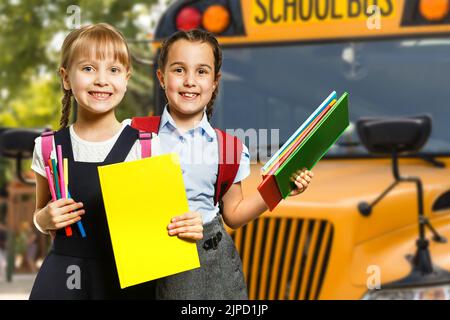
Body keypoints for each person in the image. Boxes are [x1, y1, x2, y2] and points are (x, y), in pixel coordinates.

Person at [29, 23, 203, 300]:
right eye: (88, 69)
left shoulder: (146, 147)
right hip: (62, 281)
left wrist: (188, 226)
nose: (101, 80)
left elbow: (169, 222)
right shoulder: (48, 147)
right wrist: (44, 218)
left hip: (128, 283)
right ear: (65, 77)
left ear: (126, 78)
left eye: (113, 70)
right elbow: (39, 215)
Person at [149, 29, 314, 300]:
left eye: (202, 72)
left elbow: (234, 214)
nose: (190, 81)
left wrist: (281, 187)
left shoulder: (229, 148)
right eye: (179, 70)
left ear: (215, 82)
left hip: (210, 271)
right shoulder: (134, 134)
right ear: (161, 77)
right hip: (147, 262)